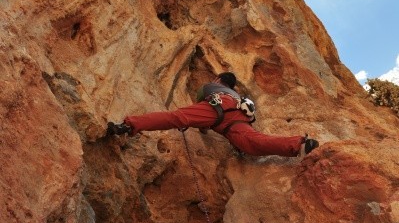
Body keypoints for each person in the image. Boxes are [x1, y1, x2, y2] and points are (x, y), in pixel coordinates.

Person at [107, 72, 319, 157]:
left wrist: (199, 124)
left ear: (218, 79)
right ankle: (300, 145)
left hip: (218, 107)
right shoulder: (236, 95)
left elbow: (201, 108)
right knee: (252, 141)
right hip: (238, 116)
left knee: (176, 118)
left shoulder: (211, 87)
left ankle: (129, 125)